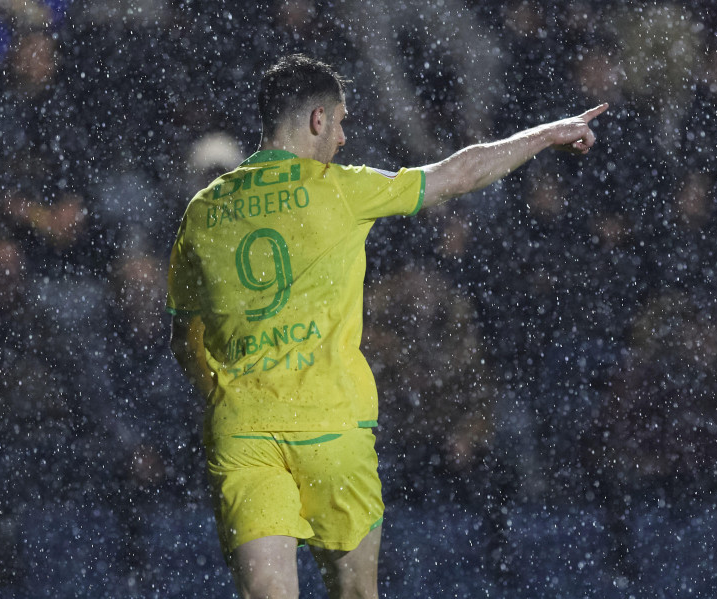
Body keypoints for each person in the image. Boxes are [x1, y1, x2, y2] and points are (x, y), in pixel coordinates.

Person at [166, 53, 607, 599]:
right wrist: (546, 134)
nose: (345, 137)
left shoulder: (204, 210)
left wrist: (228, 395)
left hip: (245, 433)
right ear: (318, 120)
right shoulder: (342, 189)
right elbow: (458, 173)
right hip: (332, 429)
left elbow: (186, 339)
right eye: (343, 121)